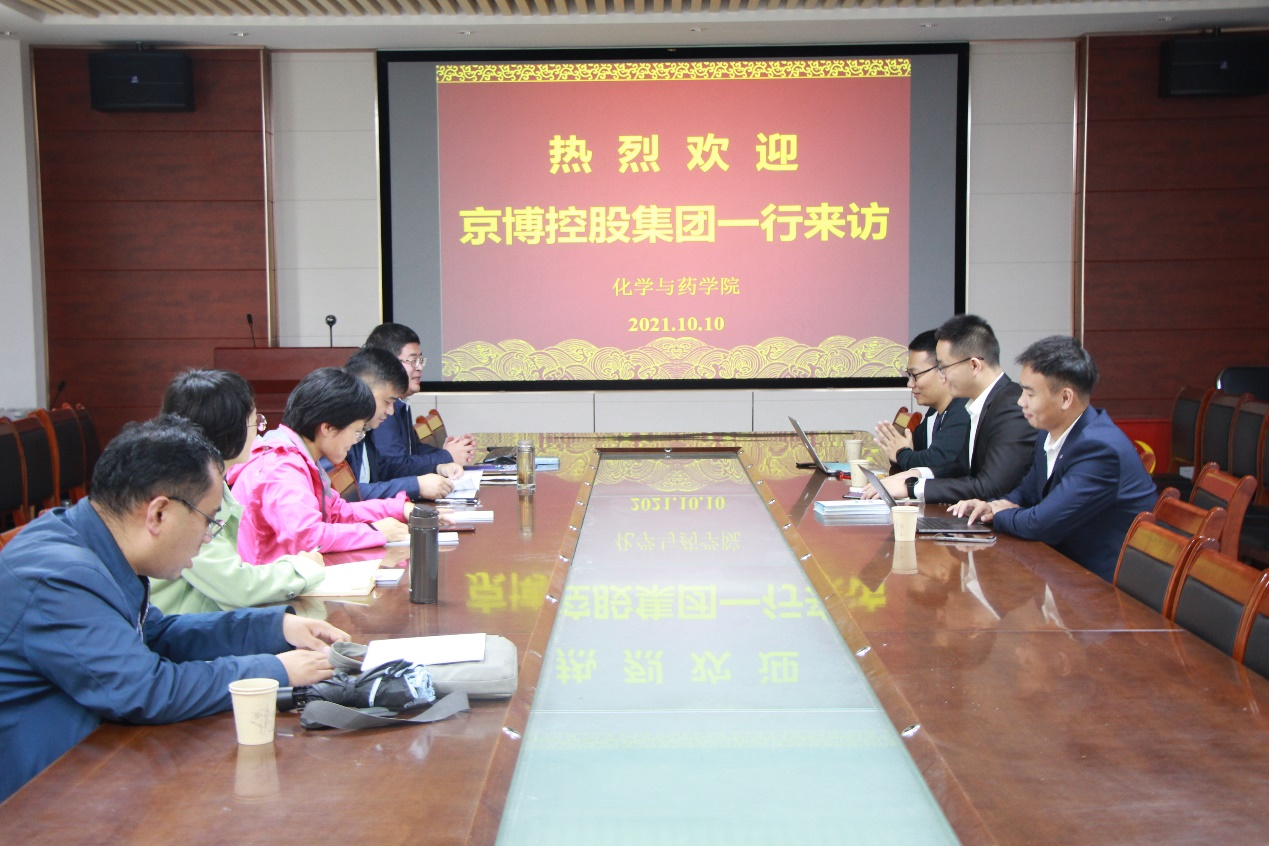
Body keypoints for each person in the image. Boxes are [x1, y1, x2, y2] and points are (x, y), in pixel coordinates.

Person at [0, 416, 346, 801]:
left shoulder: (94, 541)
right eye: (208, 521)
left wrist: (275, 628)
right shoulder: (60, 575)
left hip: (91, 765)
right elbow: (144, 690)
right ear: (158, 514)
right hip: (37, 797)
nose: (208, 537)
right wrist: (274, 671)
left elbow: (159, 635)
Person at [948, 336, 1157, 581]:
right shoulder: (1048, 433)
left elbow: (1041, 524)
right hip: (1062, 568)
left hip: (1104, 585)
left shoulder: (1099, 449)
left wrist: (996, 516)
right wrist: (992, 506)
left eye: (1029, 393)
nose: (1020, 401)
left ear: (1065, 398)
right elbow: (1026, 493)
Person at [148, 370, 327, 614]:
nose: (259, 432)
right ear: (229, 429)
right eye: (256, 422)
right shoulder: (181, 494)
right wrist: (302, 568)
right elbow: (238, 587)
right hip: (179, 630)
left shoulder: (207, 481)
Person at [229, 367, 414, 563]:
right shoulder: (281, 466)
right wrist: (375, 531)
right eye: (357, 432)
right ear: (327, 427)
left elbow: (337, 513)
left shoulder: (300, 457)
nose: (356, 440)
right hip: (268, 579)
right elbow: (307, 538)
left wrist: (398, 508)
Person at [868, 314, 1038, 504]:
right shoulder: (981, 403)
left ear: (974, 365)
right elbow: (960, 468)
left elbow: (990, 487)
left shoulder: (1011, 406)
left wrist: (913, 487)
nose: (942, 376)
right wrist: (916, 474)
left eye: (944, 367)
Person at [325, 346, 459, 501]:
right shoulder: (338, 432)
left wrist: (437, 468)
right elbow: (347, 495)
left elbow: (385, 472)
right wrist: (416, 486)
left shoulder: (366, 430)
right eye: (387, 402)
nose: (390, 411)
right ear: (364, 392)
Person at [363, 323, 477, 474]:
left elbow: (413, 449)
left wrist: (449, 452)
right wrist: (447, 456)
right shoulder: (381, 408)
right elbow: (395, 465)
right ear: (389, 364)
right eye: (413, 361)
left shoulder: (401, 402)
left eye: (421, 360)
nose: (420, 367)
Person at [873, 329, 970, 477]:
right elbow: (910, 454)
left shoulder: (963, 410)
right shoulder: (934, 412)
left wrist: (902, 453)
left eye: (915, 375)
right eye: (909, 375)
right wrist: (898, 450)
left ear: (944, 370)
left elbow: (936, 462)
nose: (910, 384)